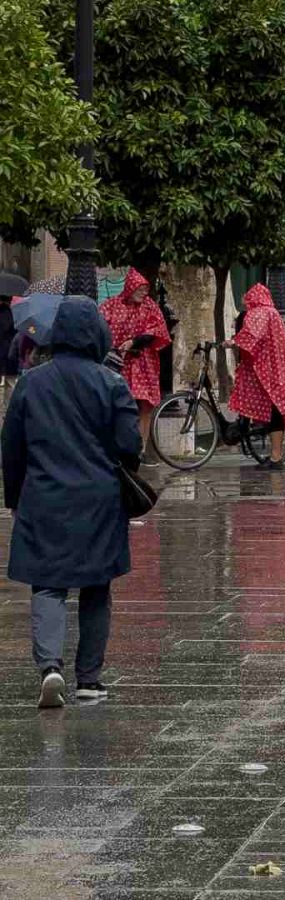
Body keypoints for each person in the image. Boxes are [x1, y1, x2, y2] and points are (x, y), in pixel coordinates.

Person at [3, 297, 142, 709]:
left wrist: (15, 495)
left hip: (44, 497)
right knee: (97, 586)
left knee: (47, 585)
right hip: (98, 499)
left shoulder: (31, 382)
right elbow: (129, 445)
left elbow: (11, 447)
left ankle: (50, 667)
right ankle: (89, 679)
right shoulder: (112, 383)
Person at [227, 284, 285, 469]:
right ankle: (274, 454)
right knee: (273, 408)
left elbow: (252, 335)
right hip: (275, 369)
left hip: (266, 370)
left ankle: (275, 457)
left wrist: (232, 342)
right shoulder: (273, 313)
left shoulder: (260, 313)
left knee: (273, 410)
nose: (244, 301)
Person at [99, 270, 171, 453]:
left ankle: (141, 448)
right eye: (140, 288)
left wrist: (133, 341)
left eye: (146, 289)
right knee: (119, 402)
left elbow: (156, 331)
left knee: (145, 405)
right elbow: (99, 325)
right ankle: (118, 445)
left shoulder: (150, 306)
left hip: (143, 362)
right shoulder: (112, 305)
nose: (143, 292)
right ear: (130, 287)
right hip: (118, 363)